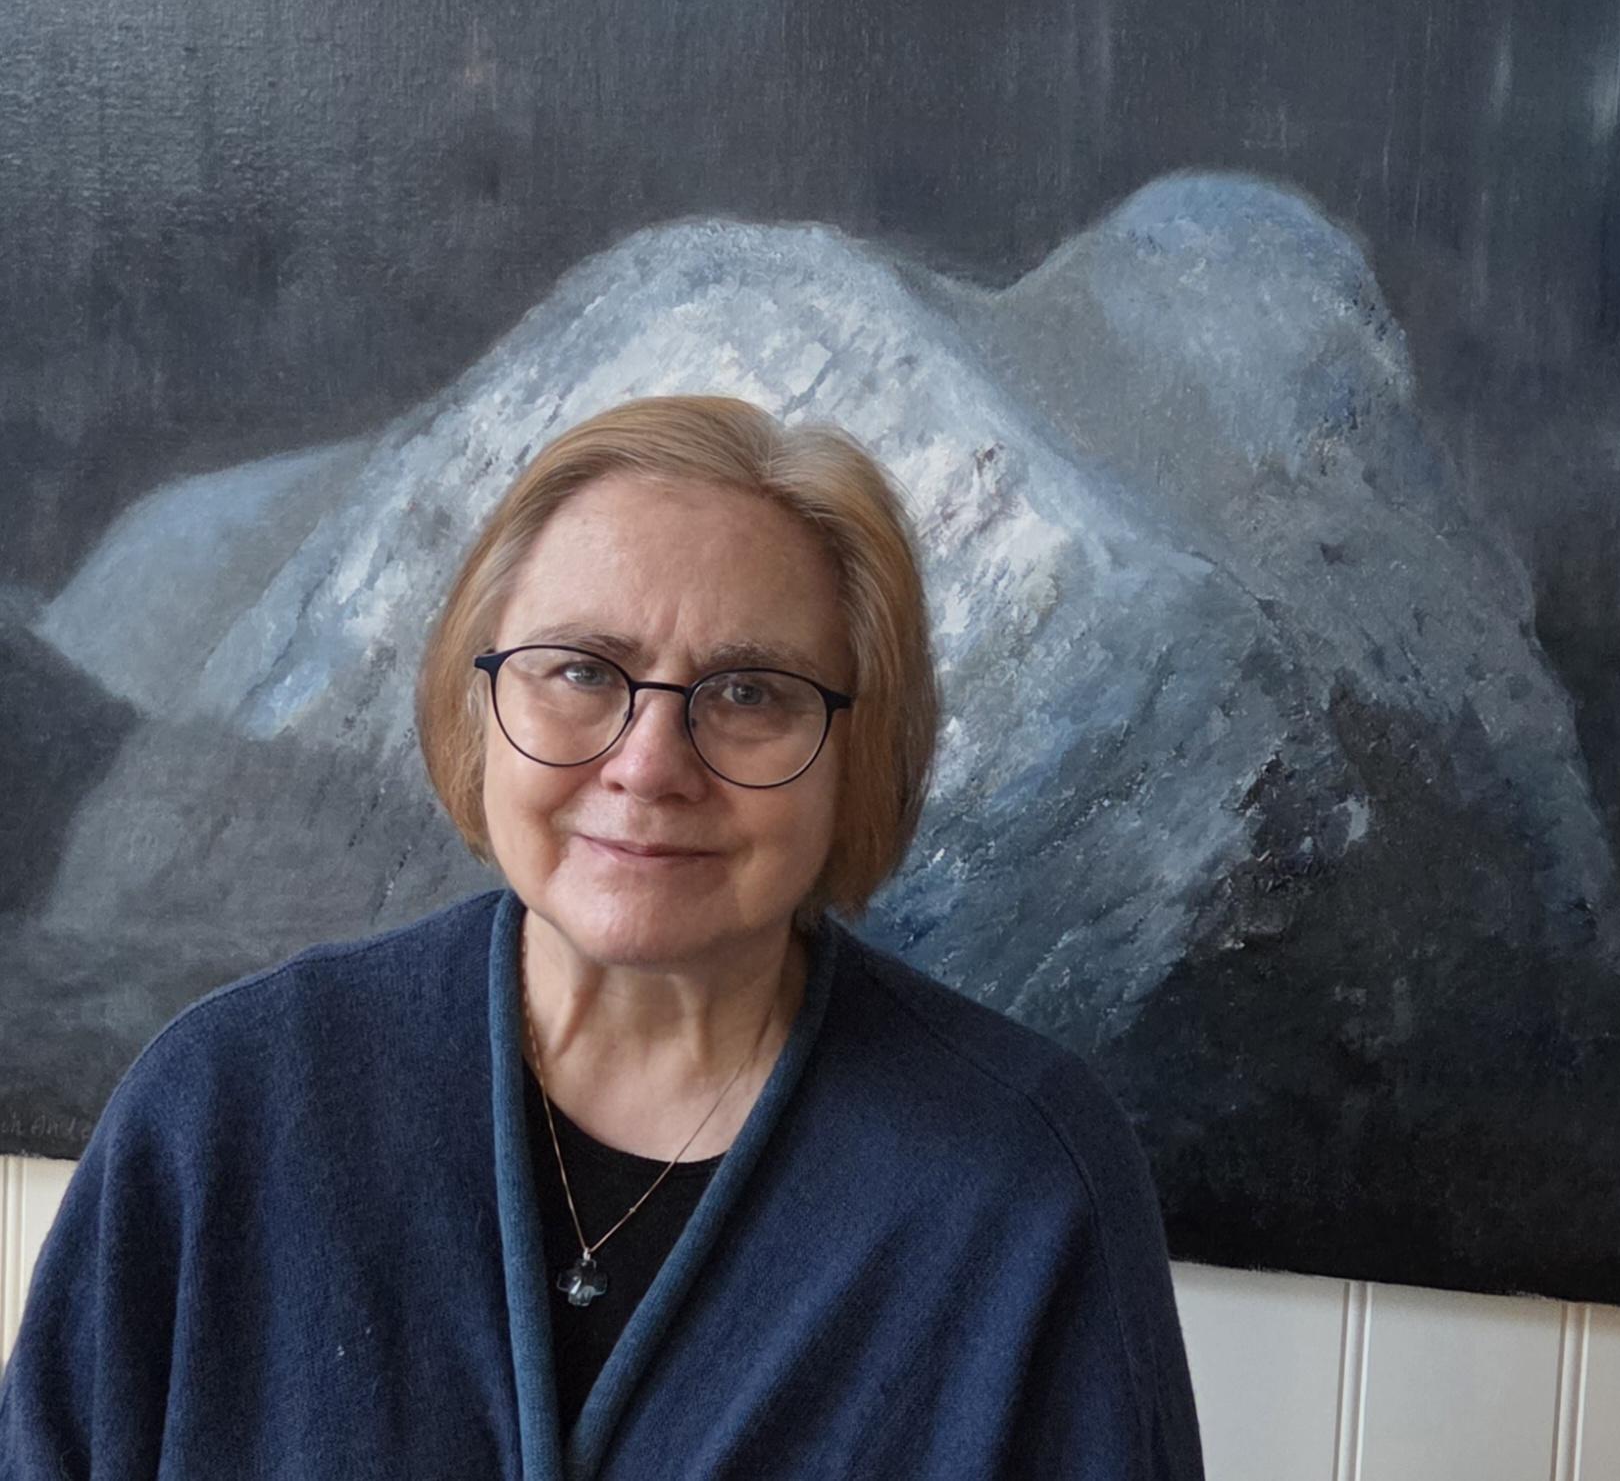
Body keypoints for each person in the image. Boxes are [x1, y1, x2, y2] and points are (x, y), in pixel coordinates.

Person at [0, 394, 1204, 1479]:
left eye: (749, 692)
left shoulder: (1021, 1187)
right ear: (479, 703)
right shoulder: (227, 1110)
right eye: (581, 671)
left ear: (859, 750)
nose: (648, 765)